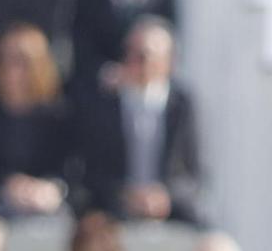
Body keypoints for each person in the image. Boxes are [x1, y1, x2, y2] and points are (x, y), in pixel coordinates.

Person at [75, 16, 202, 226]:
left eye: (147, 56)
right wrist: (126, 195)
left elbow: (193, 174)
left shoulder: (182, 105)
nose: (139, 64)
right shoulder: (104, 105)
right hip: (114, 212)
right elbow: (90, 172)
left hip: (171, 212)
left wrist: (165, 196)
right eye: (132, 55)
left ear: (169, 62)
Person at [0, 21, 71, 218]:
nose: (10, 70)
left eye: (20, 61)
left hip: (45, 201)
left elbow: (69, 171)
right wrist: (8, 184)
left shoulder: (59, 117)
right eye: (3, 60)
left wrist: (50, 187)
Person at [67, 0, 177, 100]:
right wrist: (109, 72)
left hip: (148, 80)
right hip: (101, 84)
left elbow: (170, 45)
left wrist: (141, 70)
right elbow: (81, 47)